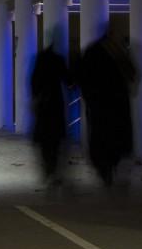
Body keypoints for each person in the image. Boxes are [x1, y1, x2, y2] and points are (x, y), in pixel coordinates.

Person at [72, 28, 136, 192]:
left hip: (99, 106)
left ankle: (105, 171)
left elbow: (80, 76)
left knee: (101, 138)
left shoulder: (93, 53)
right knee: (115, 138)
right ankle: (111, 169)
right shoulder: (116, 53)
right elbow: (131, 73)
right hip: (115, 105)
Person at [29, 26, 73, 192]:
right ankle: (53, 171)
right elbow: (69, 81)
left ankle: (49, 171)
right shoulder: (58, 59)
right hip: (55, 105)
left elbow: (33, 81)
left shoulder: (41, 58)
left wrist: (35, 99)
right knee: (55, 141)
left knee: (45, 142)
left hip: (43, 106)